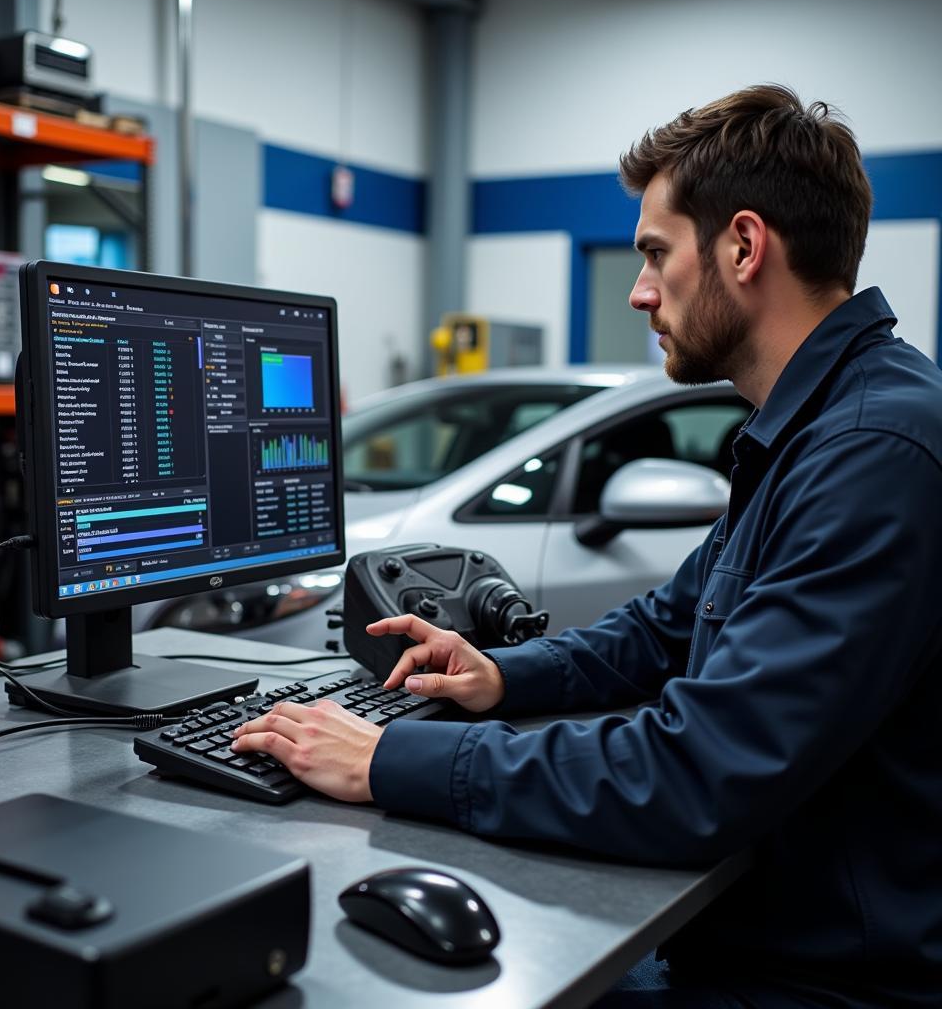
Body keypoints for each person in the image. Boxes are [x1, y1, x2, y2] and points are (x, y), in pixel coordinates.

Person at [231, 85, 942, 1008]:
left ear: (742, 245)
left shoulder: (870, 451)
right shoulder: (815, 427)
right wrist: (500, 675)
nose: (641, 291)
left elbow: (698, 774)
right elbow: (663, 628)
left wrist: (383, 763)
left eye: (655, 254)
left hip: (819, 983)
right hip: (763, 935)